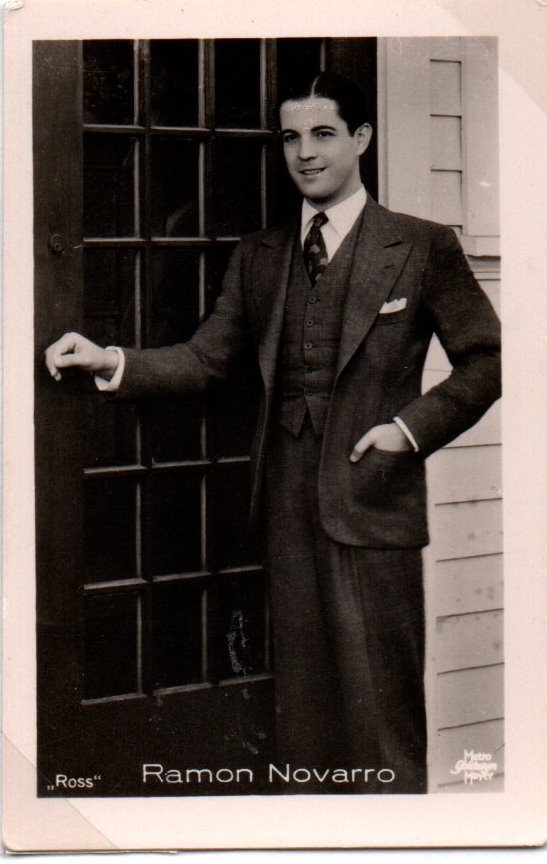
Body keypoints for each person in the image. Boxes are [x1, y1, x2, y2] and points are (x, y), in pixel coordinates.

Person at [45, 72, 501, 794]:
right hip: (285, 510)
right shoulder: (260, 254)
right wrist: (112, 360)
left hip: (373, 509)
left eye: (322, 134)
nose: (304, 153)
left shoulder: (420, 245)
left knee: (381, 721)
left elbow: (487, 360)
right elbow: (206, 358)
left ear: (361, 138)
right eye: (290, 137)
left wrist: (407, 430)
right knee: (304, 721)